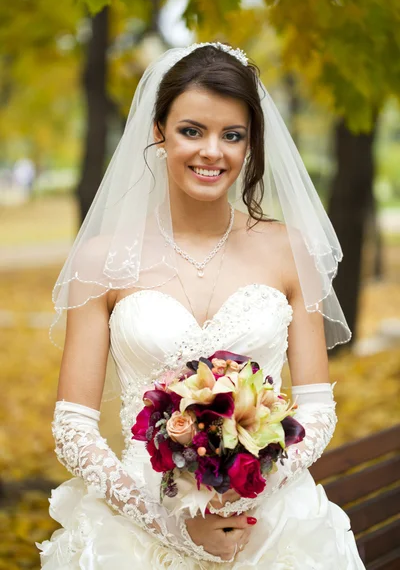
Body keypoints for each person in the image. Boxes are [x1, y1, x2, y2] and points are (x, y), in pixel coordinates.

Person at [36, 43, 365, 569]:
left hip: (271, 521)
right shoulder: (101, 261)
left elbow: (318, 409)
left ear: (250, 143)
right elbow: (73, 428)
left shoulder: (289, 250)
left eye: (232, 135)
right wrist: (169, 522)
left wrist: (245, 496)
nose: (213, 151)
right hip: (138, 520)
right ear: (158, 132)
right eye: (192, 130)